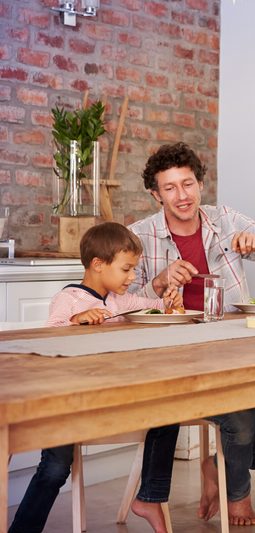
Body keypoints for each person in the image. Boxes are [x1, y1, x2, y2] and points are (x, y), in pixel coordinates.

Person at [127, 142, 255, 526]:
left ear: (201, 184)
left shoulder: (226, 221)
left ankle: (216, 466)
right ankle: (238, 496)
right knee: (241, 419)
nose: (182, 195)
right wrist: (158, 283)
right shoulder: (139, 236)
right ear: (156, 194)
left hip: (236, 354)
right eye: (170, 188)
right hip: (176, 363)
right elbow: (119, 304)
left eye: (188, 184)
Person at [9, 222, 182, 533]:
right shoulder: (69, 299)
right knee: (55, 468)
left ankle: (149, 496)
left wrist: (169, 303)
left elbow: (154, 307)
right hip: (63, 402)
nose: (133, 277)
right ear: (98, 264)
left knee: (169, 414)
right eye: (127, 269)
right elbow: (50, 336)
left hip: (102, 400)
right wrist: (76, 320)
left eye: (134, 269)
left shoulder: (118, 301)